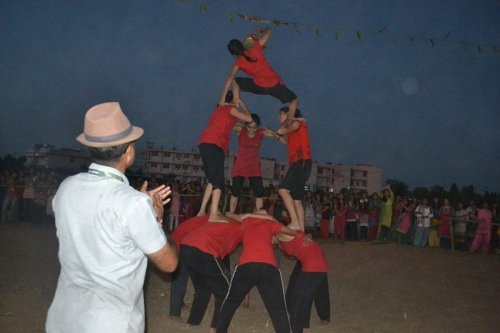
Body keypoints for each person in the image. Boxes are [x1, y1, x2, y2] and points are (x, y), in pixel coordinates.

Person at [45, 102, 178, 333]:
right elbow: (169, 264)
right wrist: (154, 218)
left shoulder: (67, 187)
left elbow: (93, 209)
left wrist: (137, 204)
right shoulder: (132, 204)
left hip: (64, 317)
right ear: (129, 152)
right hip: (109, 322)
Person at [217, 211, 297, 333]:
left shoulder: (246, 220)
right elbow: (293, 233)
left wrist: (249, 215)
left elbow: (228, 214)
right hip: (268, 267)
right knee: (278, 309)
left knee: (230, 302)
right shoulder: (270, 222)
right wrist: (271, 218)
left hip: (246, 266)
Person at [179, 216, 244, 332]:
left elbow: (221, 254)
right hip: (203, 249)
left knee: (202, 289)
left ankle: (192, 322)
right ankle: (215, 328)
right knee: (225, 291)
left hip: (185, 247)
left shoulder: (227, 224)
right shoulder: (241, 227)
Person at [197, 91, 253, 222]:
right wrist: (242, 104)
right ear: (234, 101)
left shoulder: (220, 110)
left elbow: (244, 124)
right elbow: (249, 119)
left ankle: (201, 211)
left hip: (204, 143)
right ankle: (213, 214)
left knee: (212, 180)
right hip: (215, 145)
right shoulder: (231, 109)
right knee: (219, 182)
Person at [221, 27, 299, 119]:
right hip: (274, 85)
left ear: (233, 54)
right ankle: (291, 116)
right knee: (294, 100)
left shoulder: (238, 63)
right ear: (241, 45)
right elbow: (269, 31)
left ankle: (236, 100)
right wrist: (260, 31)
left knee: (235, 81)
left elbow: (230, 78)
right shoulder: (255, 48)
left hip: (260, 87)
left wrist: (222, 99)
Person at [279, 232, 331, 333]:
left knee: (316, 288)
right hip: (302, 259)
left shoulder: (284, 231)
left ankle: (323, 316)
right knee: (296, 286)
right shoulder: (279, 242)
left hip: (313, 257)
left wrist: (308, 235)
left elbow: (301, 230)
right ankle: (301, 320)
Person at [229, 113, 276, 213]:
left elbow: (276, 135)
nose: (251, 130)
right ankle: (231, 213)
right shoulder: (241, 130)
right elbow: (229, 122)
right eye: (249, 127)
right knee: (235, 193)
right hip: (240, 166)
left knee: (259, 193)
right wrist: (243, 123)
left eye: (254, 128)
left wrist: (269, 129)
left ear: (258, 126)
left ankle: (259, 214)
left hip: (254, 168)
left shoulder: (260, 132)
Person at [275, 107, 312, 231]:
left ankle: (295, 222)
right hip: (303, 163)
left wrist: (288, 120)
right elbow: (285, 140)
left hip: (300, 162)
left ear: (288, 114)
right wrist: (275, 135)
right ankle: (301, 231)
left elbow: (281, 130)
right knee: (297, 199)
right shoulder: (295, 126)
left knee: (283, 190)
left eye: (280, 114)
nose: (278, 117)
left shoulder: (296, 122)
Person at [169, 215, 209, 321]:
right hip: (178, 246)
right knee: (180, 279)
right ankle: (174, 312)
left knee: (184, 276)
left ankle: (179, 303)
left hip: (183, 245)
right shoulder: (206, 221)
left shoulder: (203, 219)